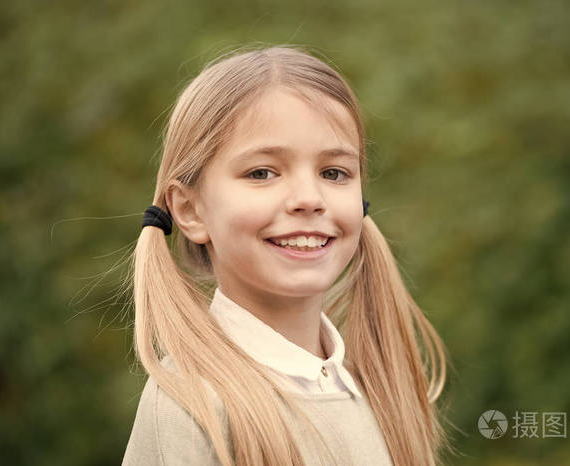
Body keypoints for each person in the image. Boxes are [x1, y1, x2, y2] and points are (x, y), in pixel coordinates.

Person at [121, 44, 450, 466]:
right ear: (190, 209)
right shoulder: (194, 406)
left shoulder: (383, 393)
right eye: (262, 172)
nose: (309, 199)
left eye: (334, 173)